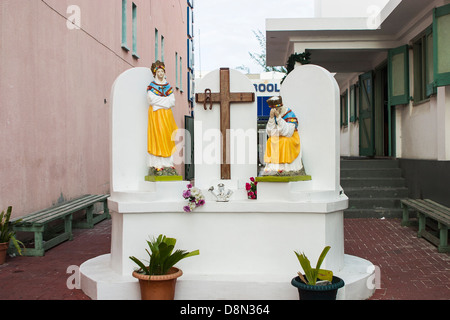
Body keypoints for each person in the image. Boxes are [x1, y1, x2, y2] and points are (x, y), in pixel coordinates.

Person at [146, 61, 178, 170]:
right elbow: (151, 99)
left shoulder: (168, 86)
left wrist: (158, 103)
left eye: (162, 71)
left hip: (167, 116)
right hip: (156, 115)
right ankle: (157, 163)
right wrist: (165, 102)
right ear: (155, 73)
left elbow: (172, 101)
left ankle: (168, 162)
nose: (160, 74)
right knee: (157, 136)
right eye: (158, 71)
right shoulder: (152, 86)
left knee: (168, 137)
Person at [263, 96, 304, 174]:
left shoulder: (289, 114)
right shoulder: (273, 115)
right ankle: (274, 167)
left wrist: (278, 117)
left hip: (291, 137)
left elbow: (288, 133)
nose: (276, 111)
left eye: (277, 109)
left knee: (285, 141)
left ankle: (285, 167)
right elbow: (270, 133)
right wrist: (271, 118)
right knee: (270, 140)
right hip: (279, 136)